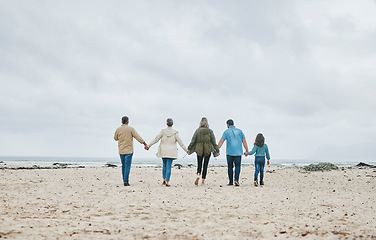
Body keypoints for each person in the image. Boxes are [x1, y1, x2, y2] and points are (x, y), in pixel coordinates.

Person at [146, 118, 188, 187]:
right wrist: (186, 150)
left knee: (164, 165)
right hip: (171, 152)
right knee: (168, 166)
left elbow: (156, 139)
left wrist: (148, 146)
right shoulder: (175, 132)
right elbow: (181, 142)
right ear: (172, 124)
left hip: (163, 151)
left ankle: (164, 179)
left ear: (166, 123)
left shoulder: (163, 131)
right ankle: (167, 181)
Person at [114, 116, 148, 186]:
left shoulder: (118, 129)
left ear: (121, 121)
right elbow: (137, 137)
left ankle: (124, 180)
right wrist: (144, 143)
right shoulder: (131, 129)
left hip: (121, 150)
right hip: (129, 150)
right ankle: (126, 181)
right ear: (128, 121)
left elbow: (115, 138)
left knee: (123, 165)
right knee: (127, 166)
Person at [187, 117, 219, 186]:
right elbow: (214, 142)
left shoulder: (197, 131)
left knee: (199, 164)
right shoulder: (210, 131)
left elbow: (193, 141)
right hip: (208, 149)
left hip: (199, 149)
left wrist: (189, 148)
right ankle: (203, 181)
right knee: (205, 165)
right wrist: (217, 150)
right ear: (207, 123)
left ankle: (198, 175)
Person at [218, 119, 248, 186]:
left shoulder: (226, 132)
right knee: (237, 166)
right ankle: (236, 179)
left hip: (229, 152)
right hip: (238, 152)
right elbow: (244, 141)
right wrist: (247, 150)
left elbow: (221, 141)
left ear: (228, 125)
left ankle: (231, 182)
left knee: (230, 167)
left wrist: (217, 150)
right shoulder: (240, 131)